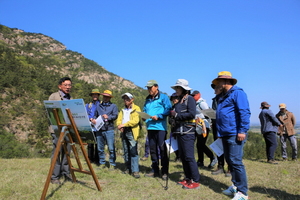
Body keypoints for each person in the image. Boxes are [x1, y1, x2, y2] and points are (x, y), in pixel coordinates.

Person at [212, 71, 250, 200]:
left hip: (235, 133)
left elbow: (244, 112)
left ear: (227, 81)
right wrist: (220, 133)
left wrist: (242, 130)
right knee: (230, 160)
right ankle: (235, 186)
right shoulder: (223, 96)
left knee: (236, 161)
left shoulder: (238, 93)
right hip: (226, 133)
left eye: (219, 82)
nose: (217, 84)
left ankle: (243, 193)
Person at [170, 79, 200, 189]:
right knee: (183, 156)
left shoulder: (190, 99)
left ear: (183, 89)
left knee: (189, 157)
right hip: (180, 132)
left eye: (178, 88)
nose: (176, 90)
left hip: (188, 132)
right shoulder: (181, 100)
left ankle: (195, 181)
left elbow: (191, 114)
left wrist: (176, 115)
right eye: (176, 88)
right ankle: (188, 178)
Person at [143, 80, 171, 180]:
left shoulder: (164, 97)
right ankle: (155, 170)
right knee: (153, 150)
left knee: (163, 149)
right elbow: (145, 110)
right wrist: (143, 116)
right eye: (148, 88)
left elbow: (168, 109)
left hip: (160, 128)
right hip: (150, 127)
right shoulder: (147, 99)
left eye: (150, 87)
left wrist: (159, 116)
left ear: (156, 87)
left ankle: (164, 171)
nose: (149, 90)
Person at [48, 77, 73, 184]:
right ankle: (54, 176)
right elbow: (49, 112)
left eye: (69, 85)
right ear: (60, 86)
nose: (68, 87)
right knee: (57, 152)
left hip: (68, 129)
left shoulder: (71, 99)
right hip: (57, 130)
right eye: (65, 85)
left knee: (67, 152)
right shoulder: (53, 96)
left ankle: (66, 173)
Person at [91, 90, 118, 170]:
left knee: (111, 148)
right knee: (100, 148)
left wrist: (108, 117)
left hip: (109, 129)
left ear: (110, 98)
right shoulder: (99, 106)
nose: (105, 98)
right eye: (104, 96)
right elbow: (95, 115)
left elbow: (115, 116)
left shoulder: (113, 106)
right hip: (100, 129)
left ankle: (112, 164)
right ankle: (102, 163)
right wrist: (94, 120)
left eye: (107, 97)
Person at [116, 93, 141, 178]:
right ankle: (128, 168)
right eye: (124, 99)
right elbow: (119, 120)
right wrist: (119, 125)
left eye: (127, 99)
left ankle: (135, 170)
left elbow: (135, 121)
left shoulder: (136, 108)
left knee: (133, 151)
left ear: (132, 99)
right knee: (126, 150)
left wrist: (124, 125)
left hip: (132, 131)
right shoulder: (122, 110)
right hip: (124, 131)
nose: (125, 101)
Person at [191, 90, 217, 168]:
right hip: (197, 126)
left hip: (204, 126)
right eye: (192, 95)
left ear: (199, 95)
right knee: (198, 144)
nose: (193, 97)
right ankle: (200, 161)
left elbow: (209, 113)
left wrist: (210, 123)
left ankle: (212, 158)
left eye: (195, 95)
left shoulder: (202, 103)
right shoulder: (194, 103)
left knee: (201, 144)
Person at [210, 84, 231, 177]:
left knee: (228, 147)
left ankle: (230, 168)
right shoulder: (215, 99)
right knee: (218, 146)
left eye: (216, 87)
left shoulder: (228, 98)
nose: (215, 89)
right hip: (216, 125)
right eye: (214, 87)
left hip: (226, 126)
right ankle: (220, 165)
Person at [85, 89, 101, 164]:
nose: (95, 96)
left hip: (98, 126)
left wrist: (97, 120)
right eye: (93, 94)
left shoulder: (101, 103)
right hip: (90, 126)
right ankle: (90, 159)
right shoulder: (88, 105)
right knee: (90, 144)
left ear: (98, 95)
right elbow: (85, 113)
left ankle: (97, 160)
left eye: (96, 94)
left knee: (98, 144)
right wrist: (90, 119)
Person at [169, 93, 180, 162]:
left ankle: (180, 157)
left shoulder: (180, 107)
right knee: (174, 142)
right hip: (173, 128)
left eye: (175, 98)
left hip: (179, 127)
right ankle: (177, 156)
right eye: (173, 99)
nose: (174, 100)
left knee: (180, 142)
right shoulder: (172, 108)